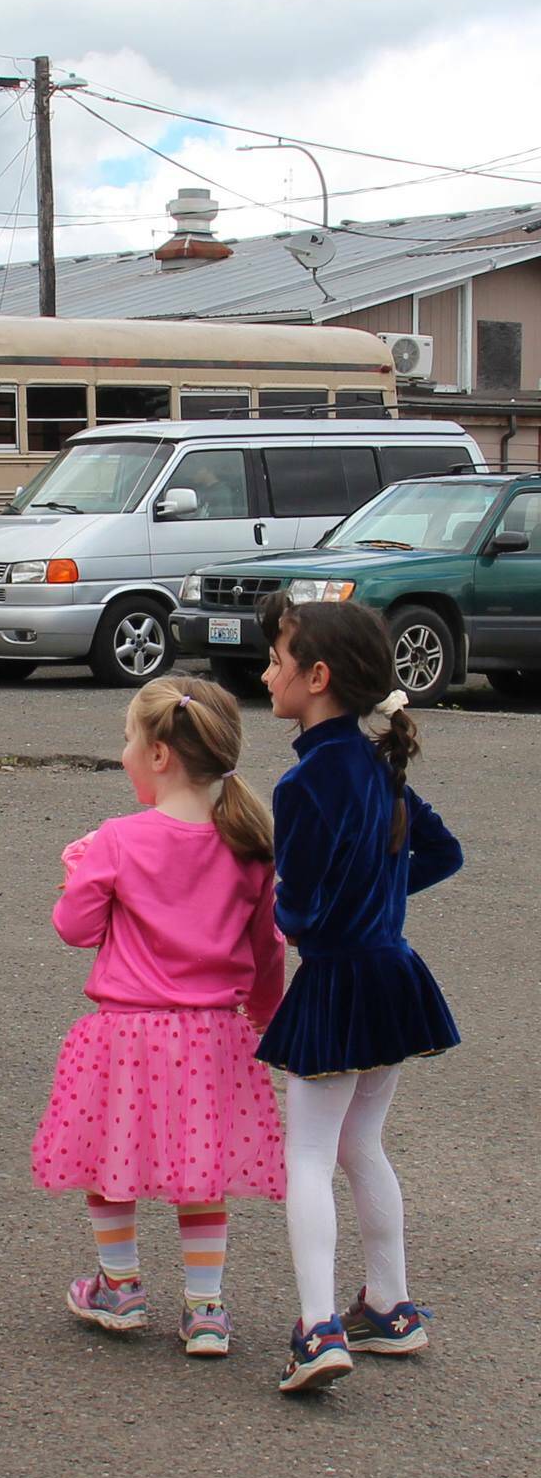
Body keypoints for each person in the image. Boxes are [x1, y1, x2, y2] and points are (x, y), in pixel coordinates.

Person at [32, 676, 285, 1357]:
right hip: (214, 1035)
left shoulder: (117, 840)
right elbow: (266, 950)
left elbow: (74, 928)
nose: (123, 754)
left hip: (126, 1033)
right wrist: (268, 1016)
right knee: (200, 1174)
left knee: (108, 1162)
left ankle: (121, 1287)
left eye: (128, 741)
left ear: (161, 754)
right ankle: (205, 1310)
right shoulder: (249, 844)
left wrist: (79, 870)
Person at [255, 595, 463, 1395]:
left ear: (317, 676)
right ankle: (389, 1304)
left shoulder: (305, 779)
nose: (268, 672)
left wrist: (281, 909)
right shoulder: (379, 762)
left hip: (338, 981)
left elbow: (301, 910)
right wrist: (385, 891)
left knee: (307, 1153)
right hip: (393, 972)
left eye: (278, 659)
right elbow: (441, 852)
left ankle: (317, 1330)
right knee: (359, 1145)